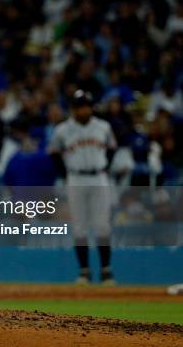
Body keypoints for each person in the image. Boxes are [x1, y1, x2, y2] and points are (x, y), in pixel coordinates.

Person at [48, 90, 117, 284]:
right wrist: (65, 174)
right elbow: (53, 153)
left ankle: (106, 270)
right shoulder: (62, 129)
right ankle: (84, 271)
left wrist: (105, 167)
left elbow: (112, 148)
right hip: (76, 178)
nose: (83, 110)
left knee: (103, 225)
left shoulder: (103, 126)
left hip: (98, 176)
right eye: (79, 106)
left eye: (86, 105)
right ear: (73, 109)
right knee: (79, 227)